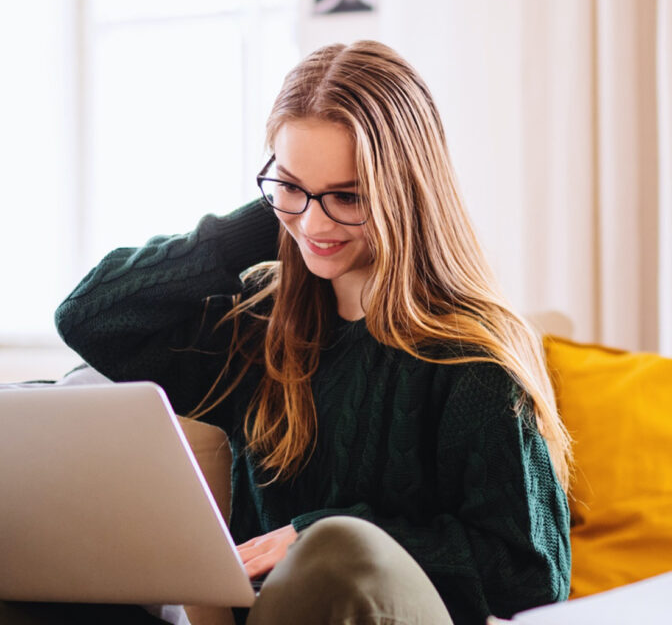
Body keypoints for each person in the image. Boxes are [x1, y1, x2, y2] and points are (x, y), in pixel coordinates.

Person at [51, 40, 570, 625]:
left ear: (406, 193)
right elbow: (90, 316)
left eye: (347, 196)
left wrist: (317, 535)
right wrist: (269, 221)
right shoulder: (257, 329)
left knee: (337, 557)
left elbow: (530, 572)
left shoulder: (471, 361)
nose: (316, 223)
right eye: (291, 186)